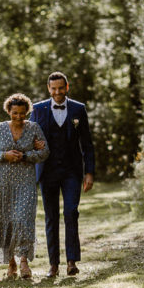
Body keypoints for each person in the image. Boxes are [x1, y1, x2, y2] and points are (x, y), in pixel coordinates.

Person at [31, 72, 95, 277]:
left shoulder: (78, 109)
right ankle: (53, 265)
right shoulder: (38, 109)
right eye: (53, 89)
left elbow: (87, 144)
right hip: (47, 171)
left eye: (61, 88)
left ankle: (71, 262)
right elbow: (28, 138)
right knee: (51, 218)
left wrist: (89, 172)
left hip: (71, 172)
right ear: (48, 89)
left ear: (67, 87)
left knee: (70, 213)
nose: (57, 92)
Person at [0, 93, 49, 279]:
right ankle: (11, 263)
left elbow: (44, 152)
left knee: (24, 219)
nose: (18, 117)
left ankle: (24, 261)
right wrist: (5, 155)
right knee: (5, 220)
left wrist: (26, 156)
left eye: (22, 113)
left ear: (27, 112)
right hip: (3, 181)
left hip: (25, 180)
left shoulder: (34, 128)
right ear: (8, 111)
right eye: (15, 113)